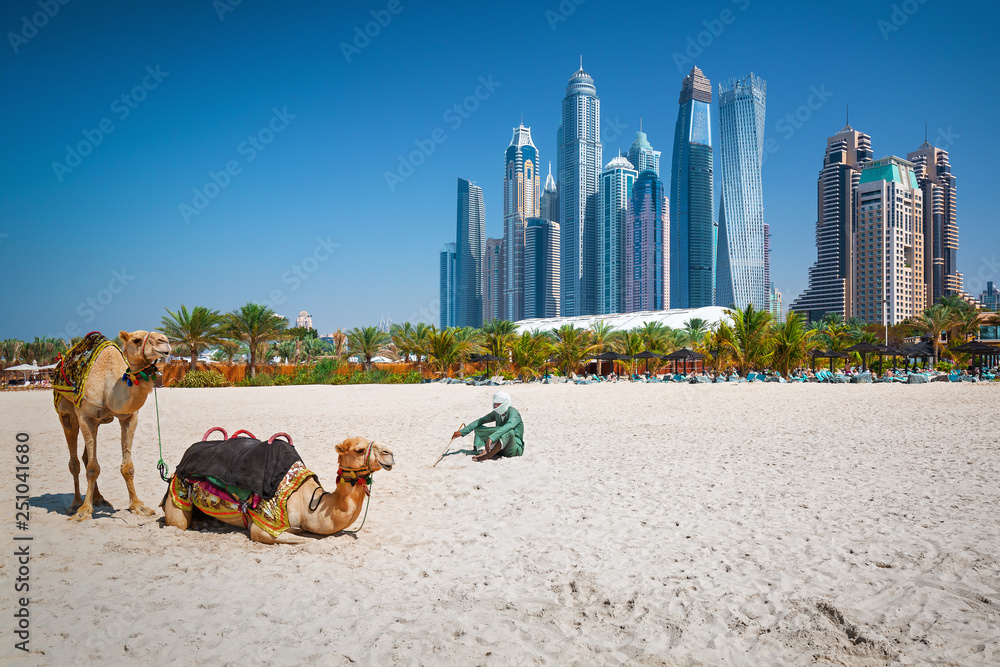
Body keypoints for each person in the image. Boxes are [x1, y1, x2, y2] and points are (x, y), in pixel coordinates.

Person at [452, 390, 524, 462]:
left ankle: (488, 455)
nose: (495, 406)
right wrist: (462, 432)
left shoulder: (514, 413)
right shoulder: (497, 413)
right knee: (478, 427)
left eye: (498, 404)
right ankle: (483, 451)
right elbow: (480, 421)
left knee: (508, 431)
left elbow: (508, 426)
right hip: (499, 449)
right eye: (495, 403)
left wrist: (491, 438)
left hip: (513, 449)